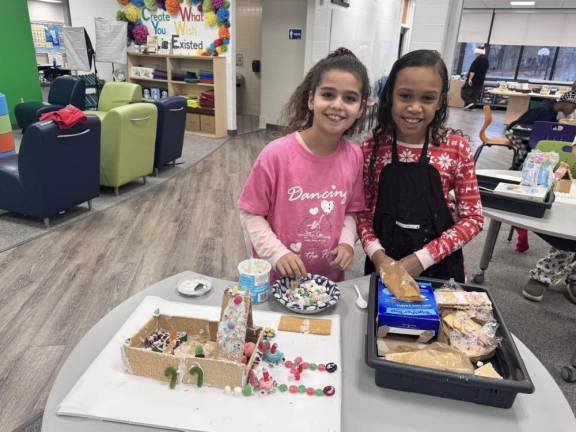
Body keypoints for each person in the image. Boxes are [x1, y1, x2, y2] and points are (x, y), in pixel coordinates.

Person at [237, 48, 369, 282]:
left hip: (327, 282)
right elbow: (251, 214)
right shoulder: (276, 154)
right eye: (328, 94)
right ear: (311, 99)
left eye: (349, 98)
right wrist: (277, 253)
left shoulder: (355, 156)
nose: (338, 105)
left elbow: (351, 210)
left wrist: (347, 243)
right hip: (277, 280)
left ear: (360, 108)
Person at [358, 49, 483, 282]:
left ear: (440, 102)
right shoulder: (371, 149)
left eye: (427, 98)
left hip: (441, 268)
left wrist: (422, 258)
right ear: (390, 96)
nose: (415, 107)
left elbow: (473, 219)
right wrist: (378, 256)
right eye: (405, 96)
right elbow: (363, 214)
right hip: (384, 267)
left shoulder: (456, 148)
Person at [505, 91, 576, 253]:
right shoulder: (544, 110)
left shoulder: (552, 112)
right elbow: (518, 126)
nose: (573, 110)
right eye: (573, 106)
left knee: (535, 156)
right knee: (524, 155)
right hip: (515, 132)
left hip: (532, 138)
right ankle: (514, 173)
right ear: (567, 103)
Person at [461, 46, 489, 110]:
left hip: (473, 80)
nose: (475, 55)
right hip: (480, 81)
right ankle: (470, 107)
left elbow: (473, 71)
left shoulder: (477, 60)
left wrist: (470, 79)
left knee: (464, 91)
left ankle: (470, 102)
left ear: (478, 53)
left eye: (475, 53)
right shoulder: (486, 61)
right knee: (474, 95)